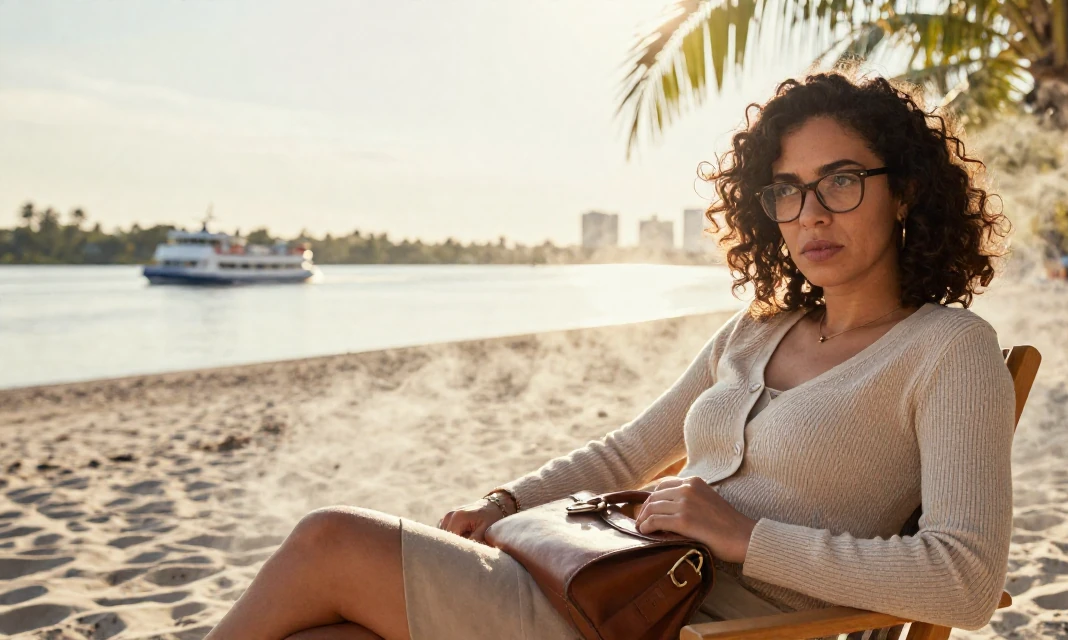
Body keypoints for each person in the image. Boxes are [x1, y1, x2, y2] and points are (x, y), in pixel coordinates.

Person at [205, 68, 1016, 640]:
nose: (810, 214)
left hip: (695, 629)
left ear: (904, 190)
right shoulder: (756, 331)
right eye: (788, 191)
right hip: (600, 587)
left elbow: (966, 580)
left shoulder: (948, 352)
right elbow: (629, 451)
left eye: (840, 182)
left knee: (329, 542)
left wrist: (740, 535)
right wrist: (503, 503)